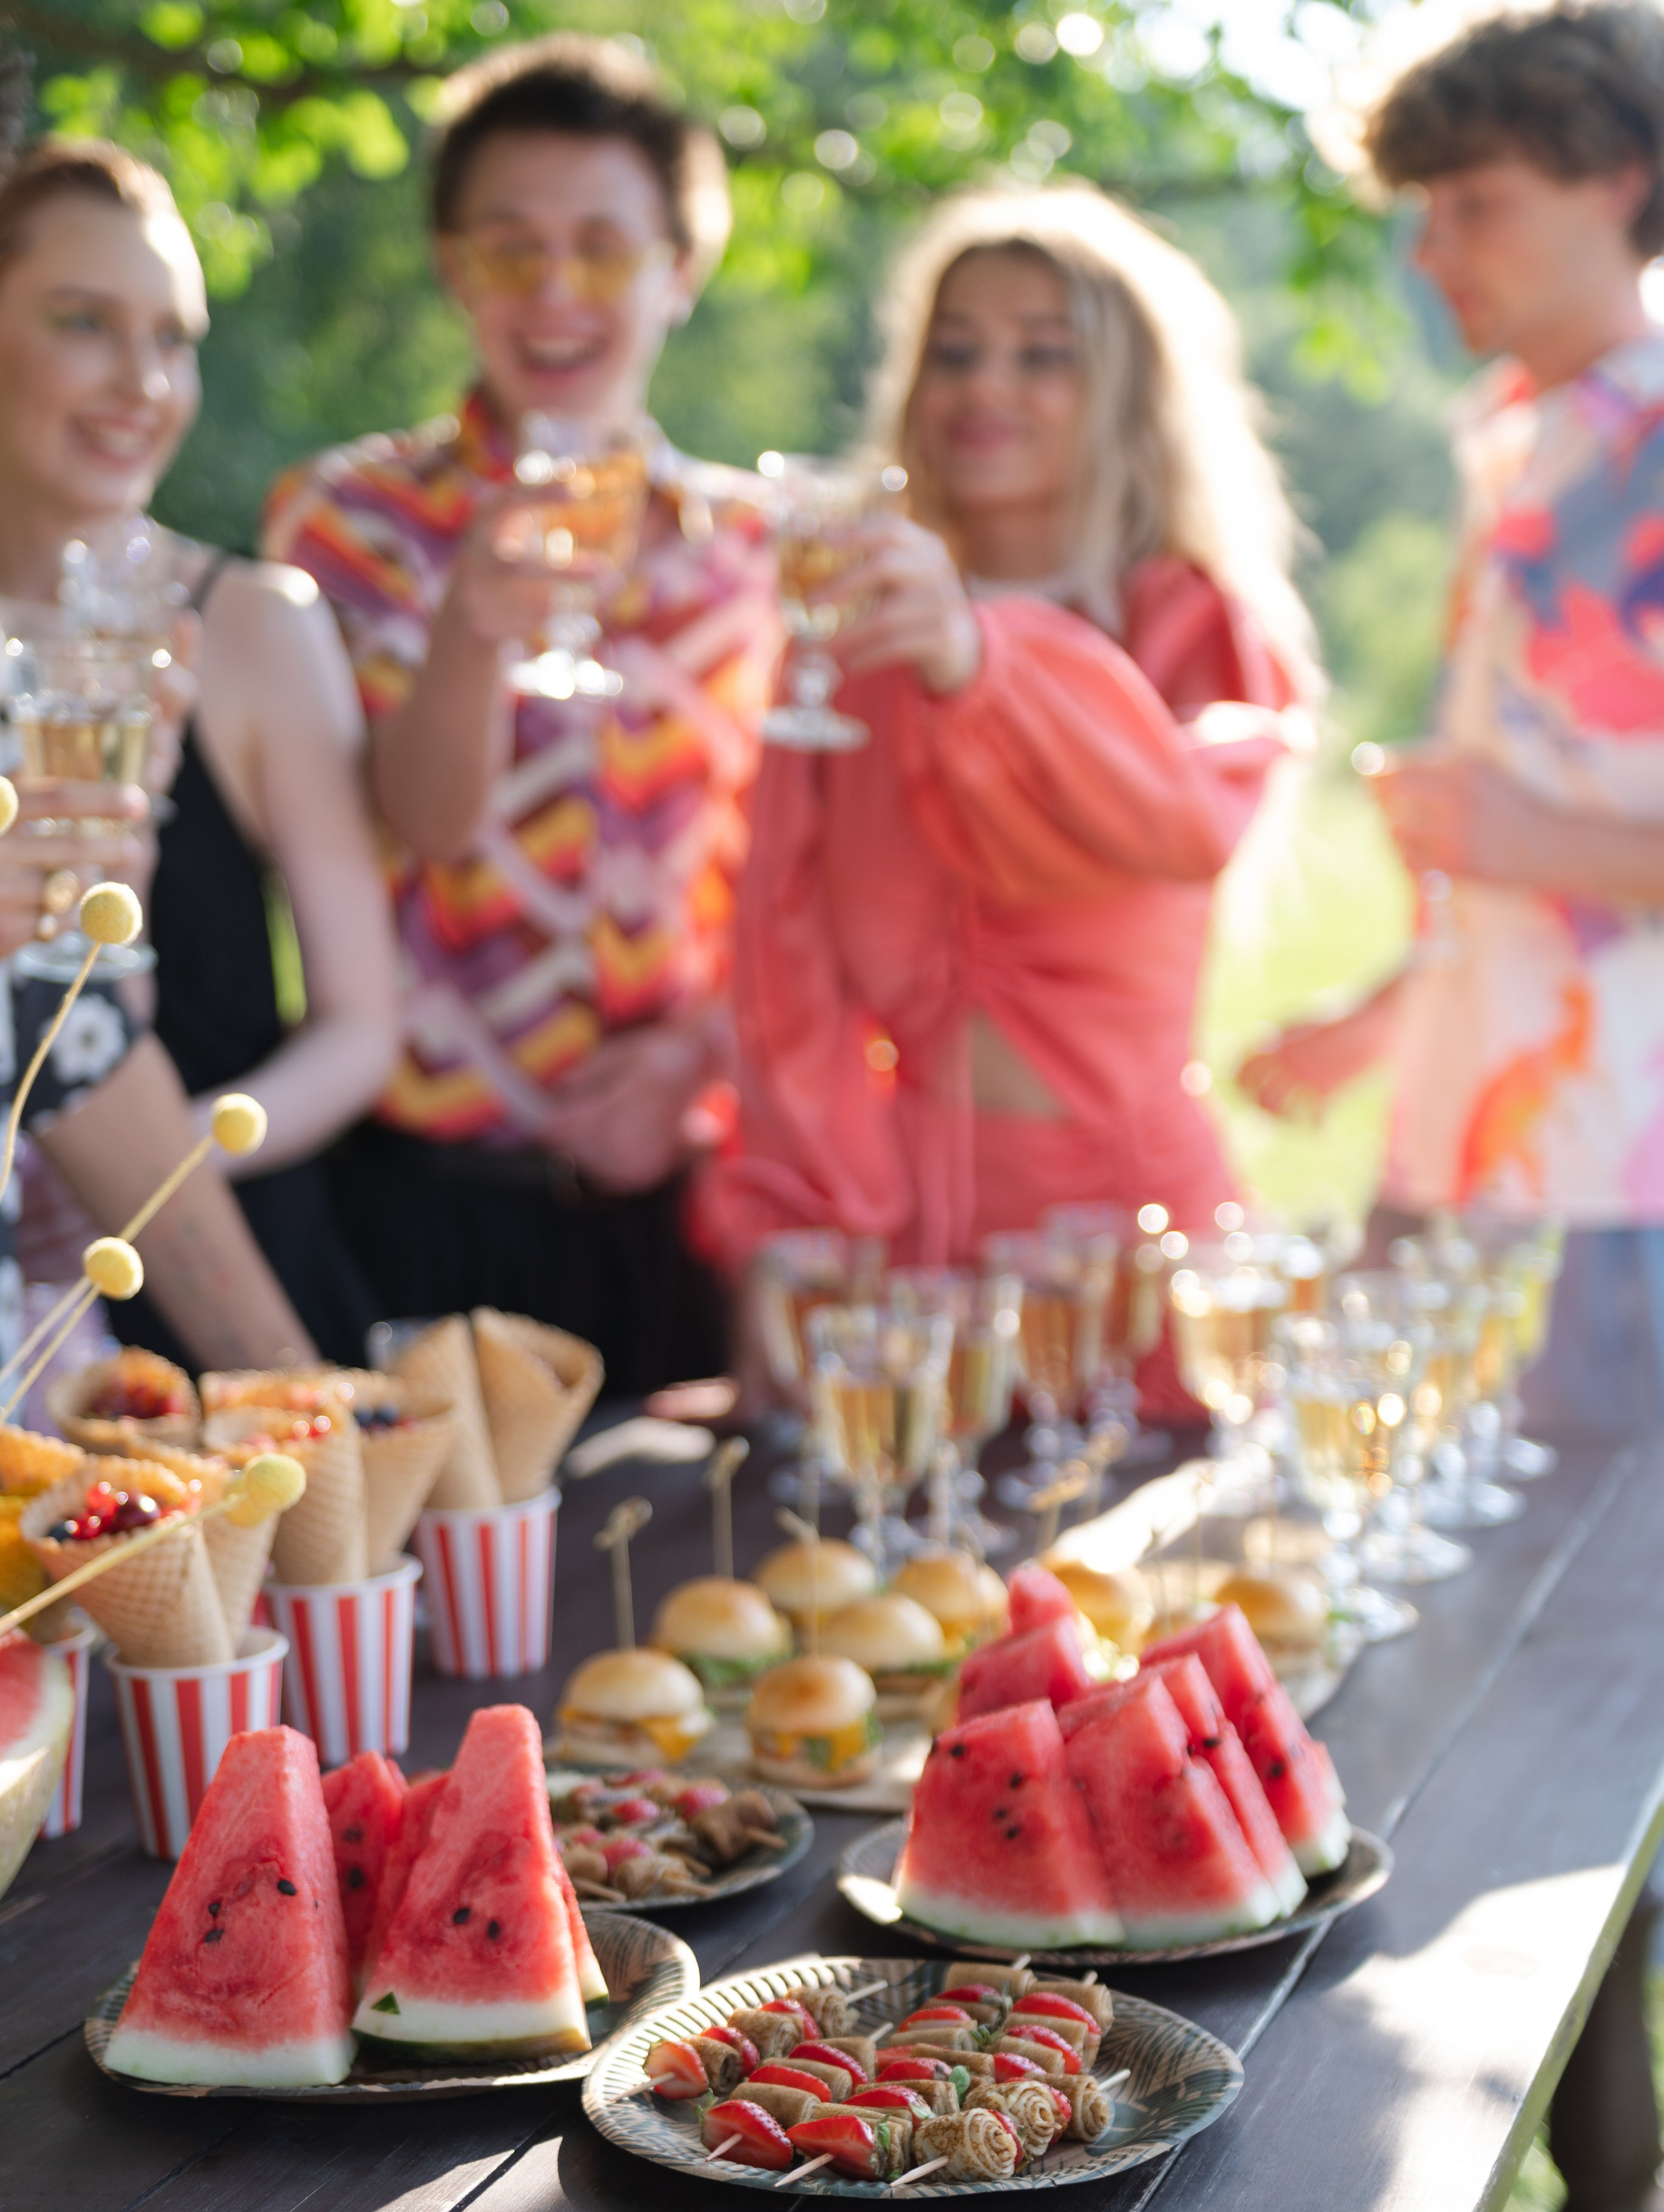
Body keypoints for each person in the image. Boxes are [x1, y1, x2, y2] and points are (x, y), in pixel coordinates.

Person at [265, 34, 778, 1393]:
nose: (555, 292)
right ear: (454, 266)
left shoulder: (755, 553)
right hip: (417, 1206)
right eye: (511, 249)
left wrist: (700, 1059)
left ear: (681, 267)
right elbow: (419, 825)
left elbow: (808, 881)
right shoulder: (351, 526)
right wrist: (472, 634)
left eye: (602, 250)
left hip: (679, 1208)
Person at [700, 184, 1316, 1282]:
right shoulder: (856, 627)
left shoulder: (1189, 623)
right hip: (905, 1247)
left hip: (1131, 1244)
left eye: (1043, 355)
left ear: (1127, 393)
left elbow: (1188, 821)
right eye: (955, 352)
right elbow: (785, 964)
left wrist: (983, 661)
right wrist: (799, 1222)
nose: (986, 385)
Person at [1238, 2, 1664, 1430]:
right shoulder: (1515, 447)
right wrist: (1383, 1016)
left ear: (1618, 181)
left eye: (1473, 204)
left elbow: (1528, 833)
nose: (1428, 254)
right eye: (1424, 211)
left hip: (1624, 1184)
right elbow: (1514, 848)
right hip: (1458, 1157)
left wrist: (1527, 836)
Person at [0, 127, 400, 1369]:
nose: (143, 382)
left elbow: (363, 1028)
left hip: (225, 1271)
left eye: (172, 339)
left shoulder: (258, 624)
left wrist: (168, 1152)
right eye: (85, 323)